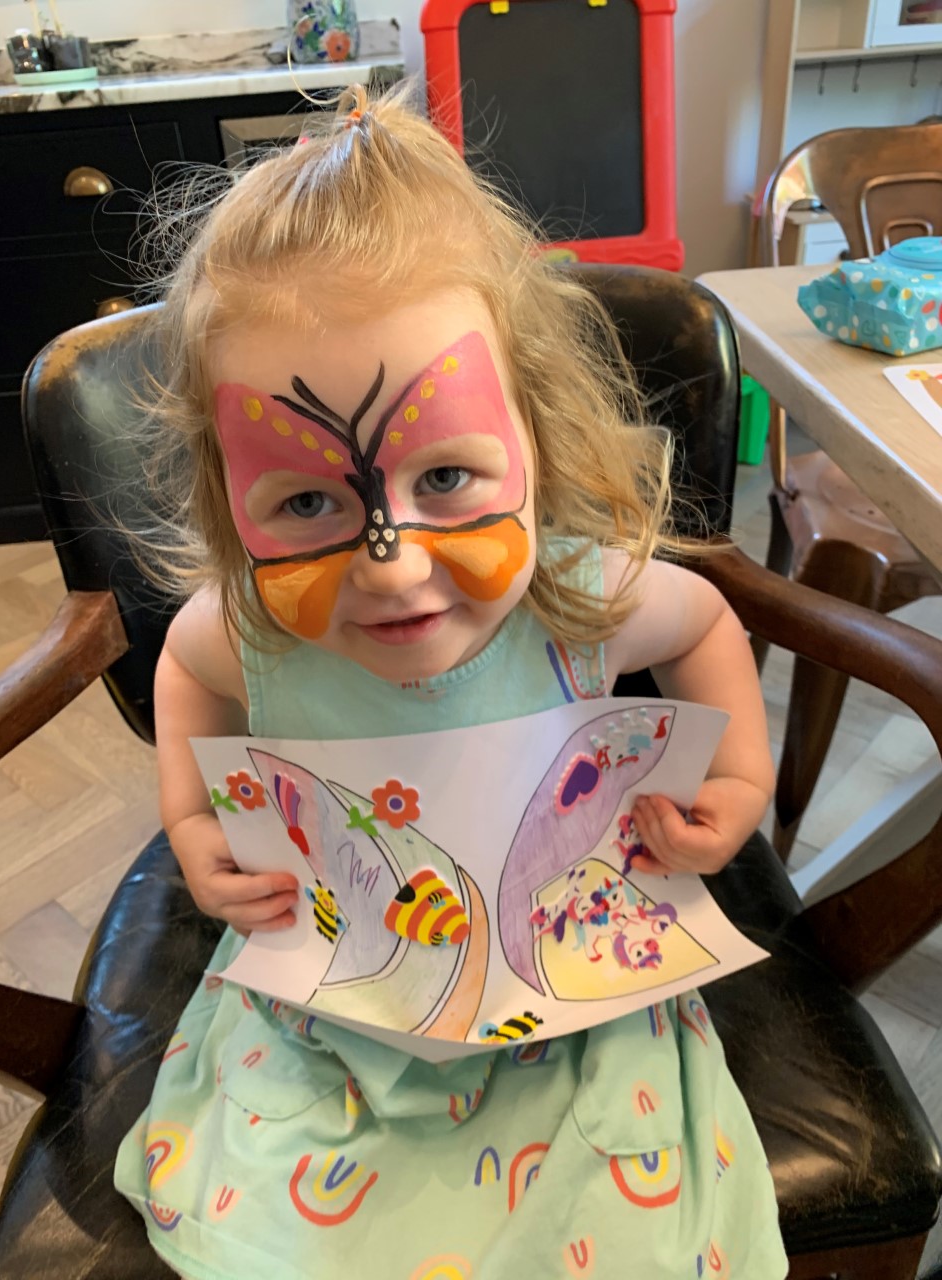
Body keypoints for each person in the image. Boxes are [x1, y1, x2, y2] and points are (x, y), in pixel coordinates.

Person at [114, 83, 786, 1279]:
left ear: (534, 432)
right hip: (333, 1012)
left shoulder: (578, 589)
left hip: (570, 1004)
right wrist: (188, 814)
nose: (394, 558)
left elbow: (708, 618)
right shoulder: (260, 627)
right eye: (309, 499)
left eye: (450, 479)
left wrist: (738, 770)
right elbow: (181, 664)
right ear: (233, 500)